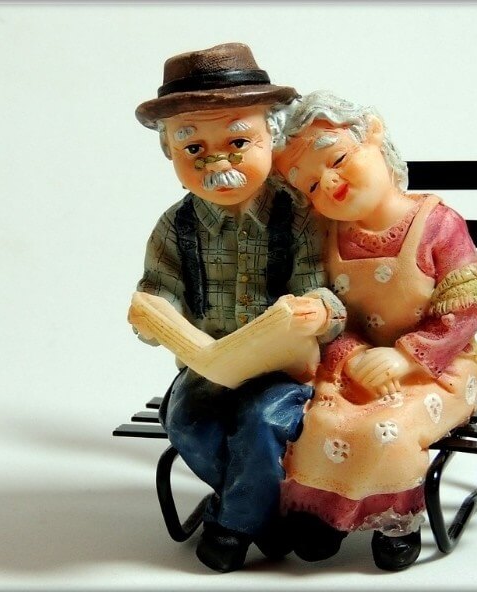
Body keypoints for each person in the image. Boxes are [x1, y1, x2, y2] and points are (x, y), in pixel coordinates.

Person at [128, 44, 345, 573]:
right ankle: (275, 519)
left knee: (262, 420)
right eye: (193, 147)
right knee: (186, 423)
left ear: (272, 136)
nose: (218, 161)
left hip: (282, 372)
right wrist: (153, 317)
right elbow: (161, 289)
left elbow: (325, 287)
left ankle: (235, 523)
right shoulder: (175, 227)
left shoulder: (299, 215)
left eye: (238, 141)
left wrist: (319, 312)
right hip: (209, 367)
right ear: (170, 153)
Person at [272, 91, 477, 571]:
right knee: (318, 421)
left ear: (373, 133)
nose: (329, 183)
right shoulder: (326, 238)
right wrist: (351, 356)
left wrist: (406, 356)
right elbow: (325, 311)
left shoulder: (438, 224)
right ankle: (322, 515)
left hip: (435, 368)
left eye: (337, 160)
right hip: (354, 366)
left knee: (387, 429)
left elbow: (470, 304)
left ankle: (396, 521)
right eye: (310, 185)